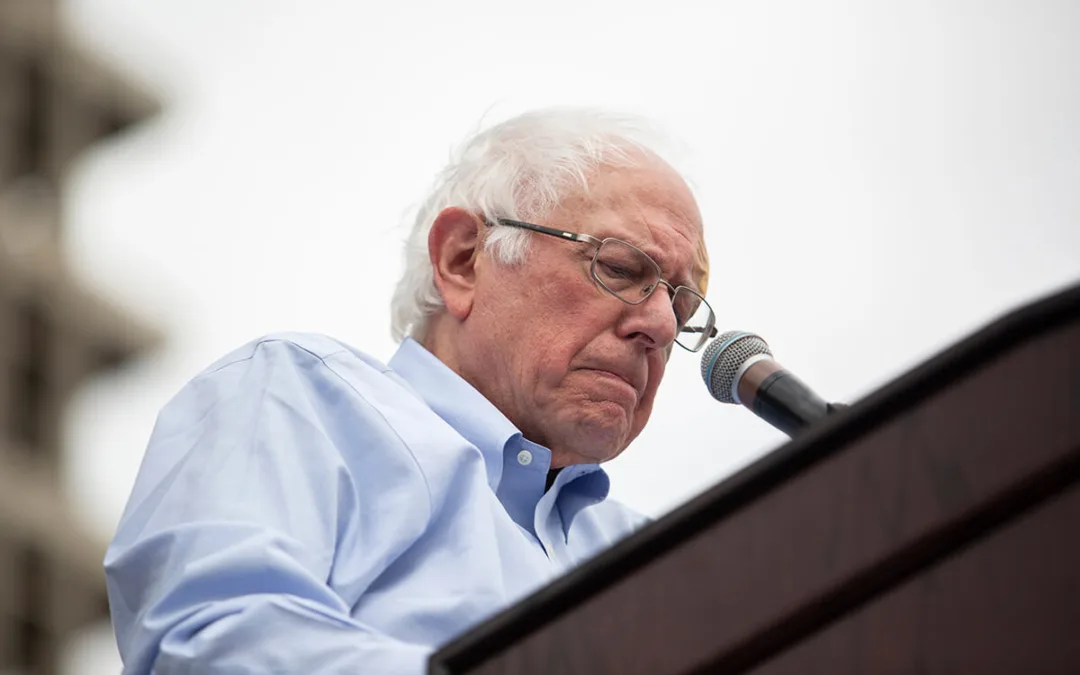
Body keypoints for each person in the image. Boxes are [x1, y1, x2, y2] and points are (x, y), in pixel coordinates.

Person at [104, 108, 715, 674]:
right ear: (462, 258)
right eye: (620, 269)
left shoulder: (659, 559)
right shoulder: (304, 400)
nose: (661, 325)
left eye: (682, 304)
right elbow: (213, 646)